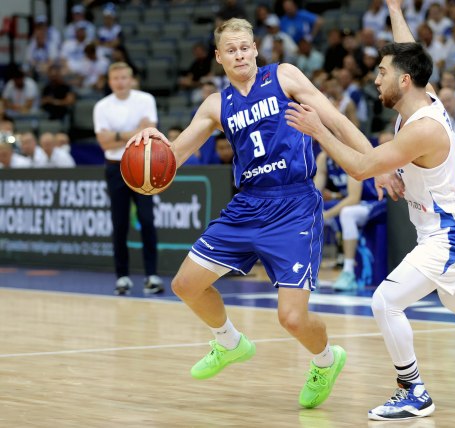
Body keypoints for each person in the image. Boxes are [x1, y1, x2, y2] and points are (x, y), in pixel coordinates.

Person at [284, 0, 455, 420]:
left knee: (385, 301)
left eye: (381, 73)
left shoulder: (423, 128)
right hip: (447, 225)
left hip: (451, 232)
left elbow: (361, 167)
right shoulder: (422, 95)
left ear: (403, 80)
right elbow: (409, 50)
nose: (375, 79)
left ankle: (413, 390)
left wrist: (318, 129)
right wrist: (395, 9)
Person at [125, 17, 382, 409]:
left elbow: (336, 121)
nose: (240, 54)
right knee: (185, 285)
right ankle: (229, 342)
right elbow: (171, 161)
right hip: (248, 204)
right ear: (219, 57)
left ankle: (325, 361)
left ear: (256, 49)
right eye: (231, 50)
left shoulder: (284, 76)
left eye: (245, 47)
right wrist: (152, 145)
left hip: (294, 204)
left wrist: (377, 162)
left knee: (291, 318)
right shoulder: (217, 104)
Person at [93, 62, 165, 296]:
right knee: (119, 223)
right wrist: (135, 132)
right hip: (115, 167)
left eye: (124, 77)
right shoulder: (102, 106)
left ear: (132, 79)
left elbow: (149, 133)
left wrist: (116, 135)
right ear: (109, 81)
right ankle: (122, 277)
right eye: (116, 78)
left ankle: (152, 276)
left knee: (147, 219)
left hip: (141, 165)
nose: (120, 82)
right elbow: (104, 143)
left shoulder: (145, 99)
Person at [313, 148, 386, 291]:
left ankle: (348, 272)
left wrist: (327, 215)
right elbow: (314, 193)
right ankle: (311, 272)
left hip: (376, 200)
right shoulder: (324, 158)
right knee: (311, 215)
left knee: (347, 213)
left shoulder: (348, 154)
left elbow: (353, 198)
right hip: (355, 203)